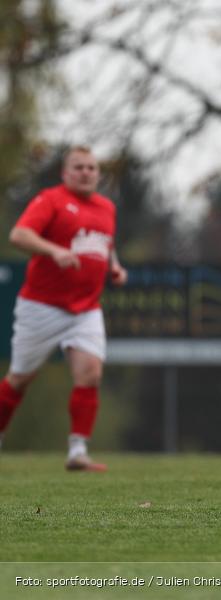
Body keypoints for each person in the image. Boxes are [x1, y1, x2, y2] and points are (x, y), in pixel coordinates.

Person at [0, 146, 127, 471]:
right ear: (65, 172)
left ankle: (77, 451)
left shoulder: (106, 208)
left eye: (91, 168)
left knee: (91, 374)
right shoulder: (51, 200)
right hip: (41, 307)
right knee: (18, 380)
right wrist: (54, 251)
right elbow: (19, 234)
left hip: (85, 309)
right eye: (78, 167)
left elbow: (106, 243)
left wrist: (115, 266)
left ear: (98, 174)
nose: (86, 172)